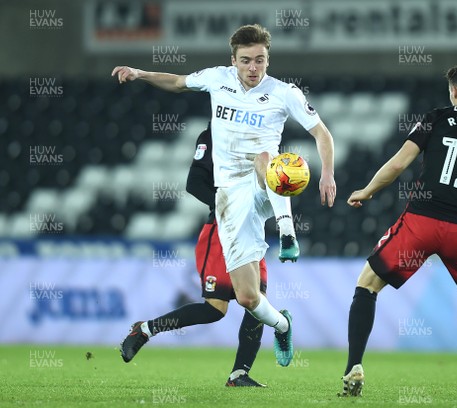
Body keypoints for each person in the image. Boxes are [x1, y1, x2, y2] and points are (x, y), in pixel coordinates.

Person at [112, 24, 336, 367]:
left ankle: (288, 233)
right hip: (230, 198)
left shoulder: (283, 92)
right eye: (246, 60)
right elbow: (176, 82)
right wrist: (140, 73)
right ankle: (283, 325)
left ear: (267, 59)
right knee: (247, 298)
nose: (253, 68)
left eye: (260, 60)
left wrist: (328, 175)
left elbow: (322, 133)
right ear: (233, 60)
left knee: (268, 159)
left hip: (263, 185)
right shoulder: (218, 78)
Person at [339, 62, 457, 398]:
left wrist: (367, 191)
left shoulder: (436, 117)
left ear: (453, 91)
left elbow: (399, 163)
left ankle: (354, 365)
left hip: (421, 223)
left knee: (367, 284)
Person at [120, 124, 269, 387]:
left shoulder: (261, 132)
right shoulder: (213, 135)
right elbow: (194, 183)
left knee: (258, 307)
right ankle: (145, 330)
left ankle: (239, 374)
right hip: (222, 231)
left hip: (253, 233)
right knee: (215, 309)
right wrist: (224, 204)